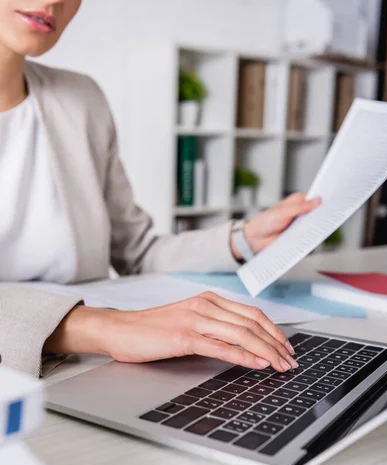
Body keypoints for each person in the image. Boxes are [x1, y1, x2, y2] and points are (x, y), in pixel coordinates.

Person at [0, 0, 321, 379]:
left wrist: (243, 239)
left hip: (84, 368)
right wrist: (100, 327)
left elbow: (138, 252)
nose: (54, 1)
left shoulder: (80, 99)